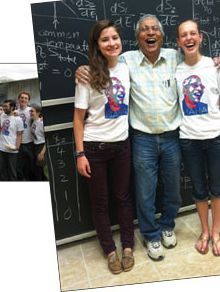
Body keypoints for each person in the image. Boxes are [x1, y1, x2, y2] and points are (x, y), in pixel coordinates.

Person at [75, 14, 220, 261]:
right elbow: (102, 63)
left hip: (172, 136)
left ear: (163, 36)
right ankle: (151, 235)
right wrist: (81, 69)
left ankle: (167, 225)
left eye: (155, 29)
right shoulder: (125, 61)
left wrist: (219, 60)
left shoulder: (176, 57)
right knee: (144, 192)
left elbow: (198, 59)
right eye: (144, 30)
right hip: (141, 138)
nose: (150, 33)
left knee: (173, 190)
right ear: (137, 38)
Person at [74, 20, 134, 273]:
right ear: (97, 45)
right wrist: (80, 154)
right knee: (100, 203)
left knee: (123, 197)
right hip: (94, 149)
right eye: (105, 39)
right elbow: (78, 118)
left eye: (115, 38)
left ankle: (128, 247)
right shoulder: (87, 75)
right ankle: (110, 251)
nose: (111, 43)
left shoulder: (128, 67)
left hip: (122, 145)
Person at [175, 19, 220, 256]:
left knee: (217, 187)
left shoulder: (215, 66)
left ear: (200, 37)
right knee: (199, 189)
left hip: (217, 138)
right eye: (183, 35)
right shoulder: (177, 70)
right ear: (178, 42)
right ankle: (205, 232)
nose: (188, 38)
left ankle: (217, 231)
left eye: (193, 33)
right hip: (189, 139)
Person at [0, 100, 23, 181]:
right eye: (4, 106)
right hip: (0, 148)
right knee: (2, 170)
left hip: (12, 149)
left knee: (12, 171)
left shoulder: (18, 120)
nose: (4, 108)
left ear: (12, 108)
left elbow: (19, 135)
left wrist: (17, 147)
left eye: (6, 106)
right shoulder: (2, 116)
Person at [16, 91, 36, 181]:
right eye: (22, 98)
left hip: (30, 142)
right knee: (19, 165)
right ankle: (21, 180)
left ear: (28, 100)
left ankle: (30, 180)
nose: (23, 99)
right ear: (18, 99)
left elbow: (39, 116)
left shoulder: (31, 111)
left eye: (25, 98)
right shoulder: (15, 112)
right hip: (19, 142)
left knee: (31, 164)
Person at [29, 104, 47, 181]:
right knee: (36, 170)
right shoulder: (33, 122)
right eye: (30, 111)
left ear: (38, 113)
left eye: (32, 111)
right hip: (35, 147)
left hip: (41, 147)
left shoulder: (41, 123)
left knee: (40, 171)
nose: (30, 112)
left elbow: (47, 139)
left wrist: (42, 153)